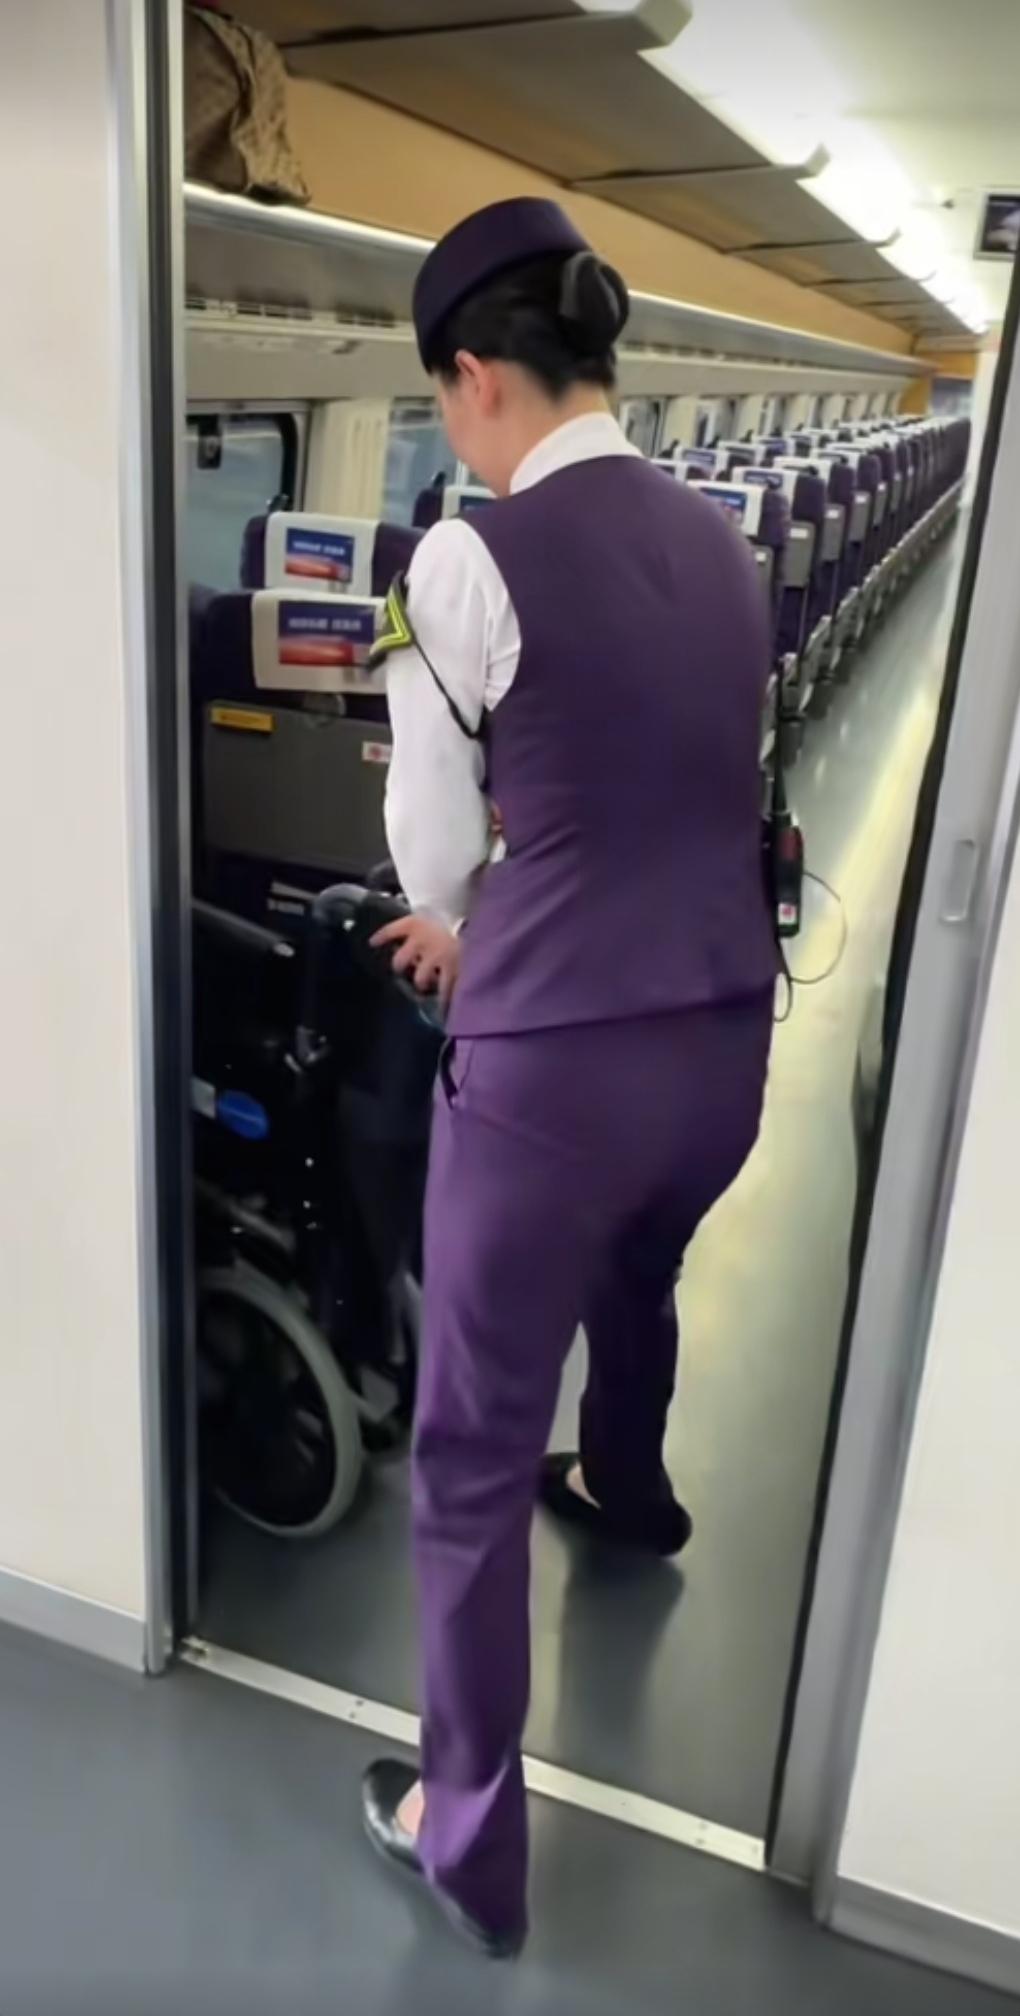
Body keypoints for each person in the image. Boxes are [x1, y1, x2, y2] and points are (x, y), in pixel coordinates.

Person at [361, 196, 776, 1958]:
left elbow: (436, 859)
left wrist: (465, 915)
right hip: (725, 1043)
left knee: (466, 1459)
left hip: (557, 1082)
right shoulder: (726, 543)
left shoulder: (467, 560)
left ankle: (465, 1839)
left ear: (474, 376)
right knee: (638, 1271)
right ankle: (631, 1486)